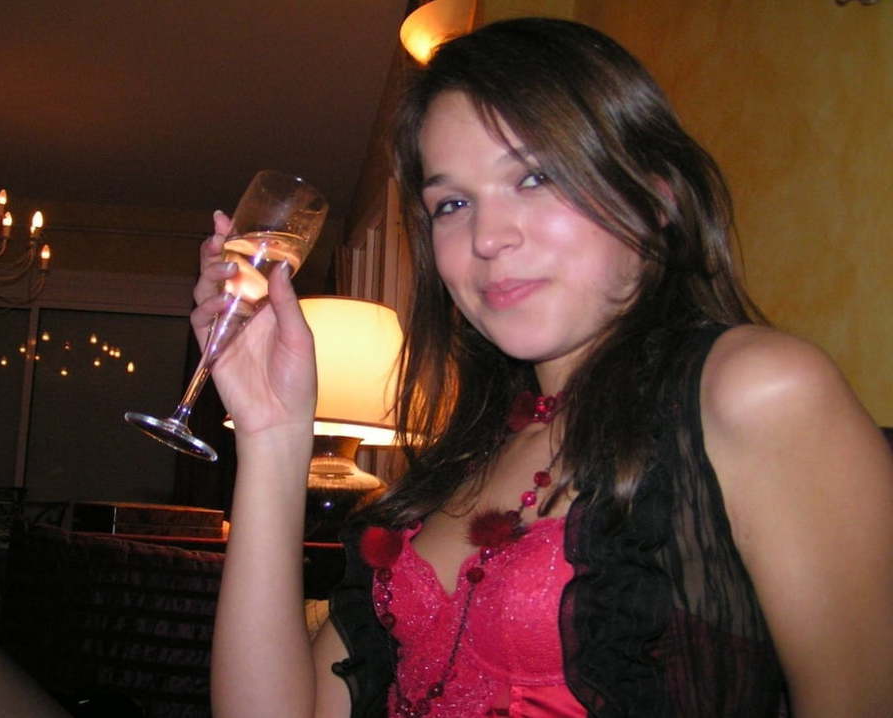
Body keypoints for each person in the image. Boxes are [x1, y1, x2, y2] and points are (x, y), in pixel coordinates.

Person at [198, 17, 893, 718]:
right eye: (453, 204)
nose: (488, 237)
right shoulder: (465, 458)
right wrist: (272, 433)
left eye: (536, 177)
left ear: (656, 200)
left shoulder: (756, 389)